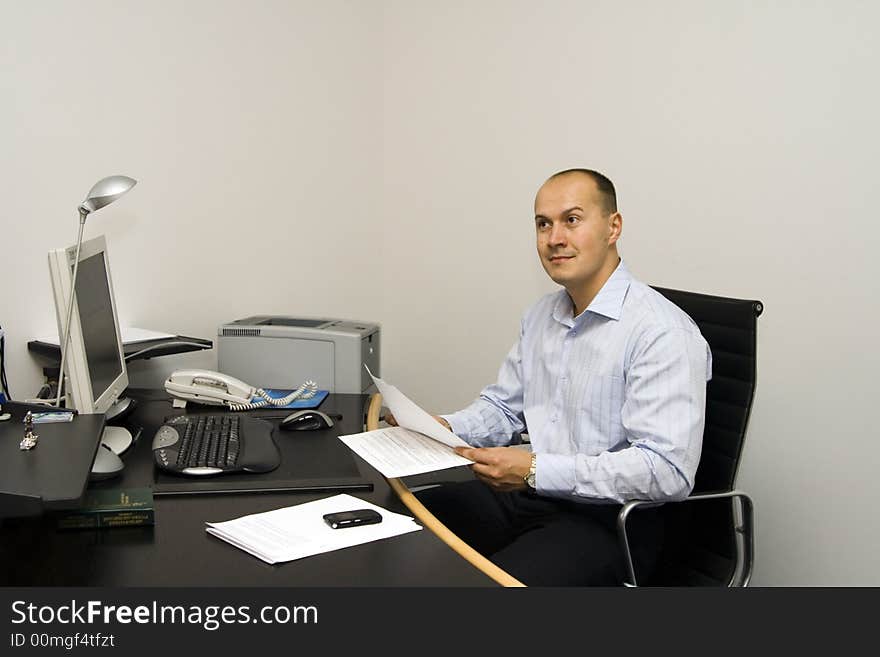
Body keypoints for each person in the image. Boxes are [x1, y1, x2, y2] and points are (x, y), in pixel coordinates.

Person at [387, 169, 711, 586]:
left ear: (614, 227)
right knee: (392, 524)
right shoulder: (541, 316)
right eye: (543, 224)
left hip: (612, 524)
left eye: (571, 220)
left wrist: (537, 469)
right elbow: (504, 409)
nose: (554, 237)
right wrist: (443, 427)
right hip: (531, 497)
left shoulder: (661, 332)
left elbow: (666, 470)